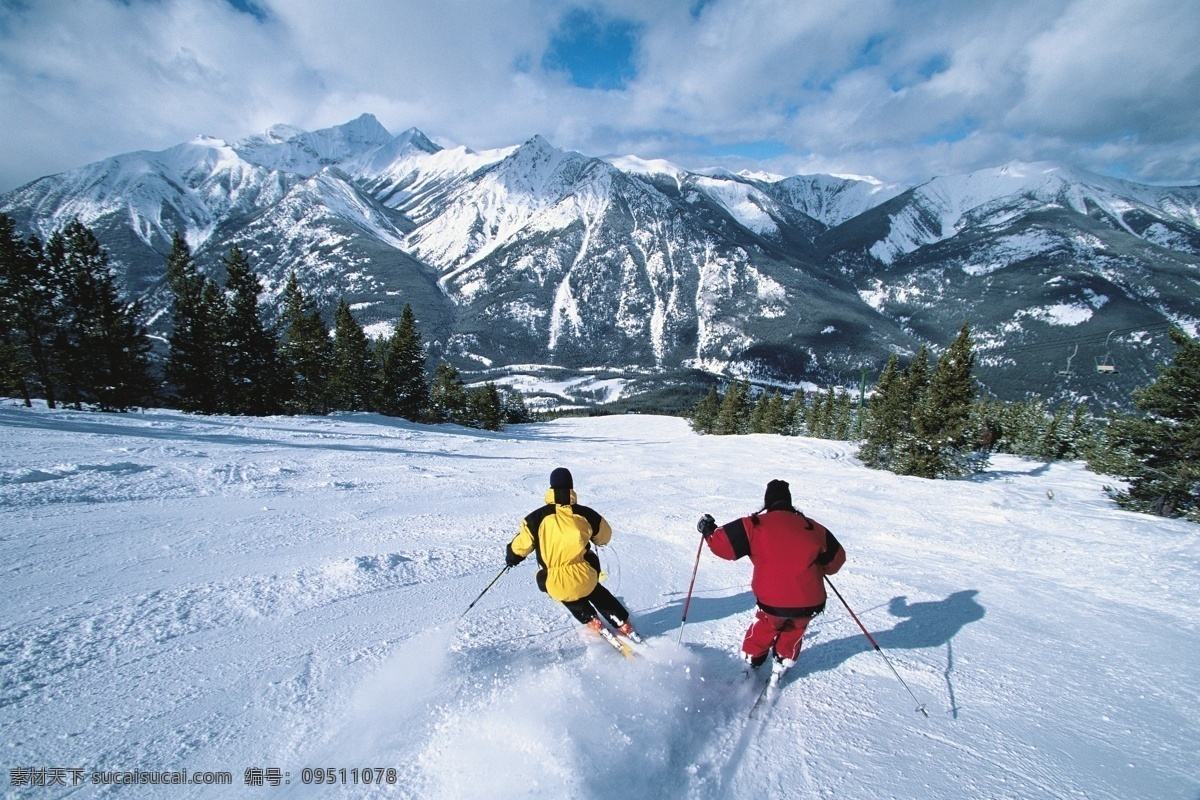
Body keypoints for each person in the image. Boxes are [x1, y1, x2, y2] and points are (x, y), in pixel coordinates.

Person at [697, 479, 845, 684]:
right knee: (795, 629)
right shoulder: (813, 527)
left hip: (772, 602)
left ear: (767, 502)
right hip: (810, 600)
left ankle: (752, 660)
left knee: (765, 625)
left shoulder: (754, 524)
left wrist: (708, 529)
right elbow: (836, 563)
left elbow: (722, 546)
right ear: (789, 502)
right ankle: (783, 661)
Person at [507, 468, 642, 646]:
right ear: (571, 487)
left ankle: (591, 619)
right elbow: (605, 536)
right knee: (594, 588)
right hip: (585, 577)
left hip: (554, 583)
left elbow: (519, 548)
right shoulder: (585, 514)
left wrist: (512, 558)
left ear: (551, 488)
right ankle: (622, 623)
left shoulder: (535, 519)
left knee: (559, 587)